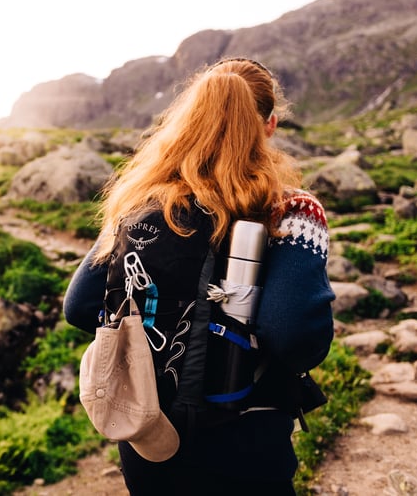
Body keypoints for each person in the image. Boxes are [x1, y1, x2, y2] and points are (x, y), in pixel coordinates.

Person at [63, 57, 335, 495]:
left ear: (189, 120)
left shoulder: (141, 200)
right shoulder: (292, 210)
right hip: (247, 441)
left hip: (147, 433)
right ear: (269, 125)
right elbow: (294, 339)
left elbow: (80, 308)